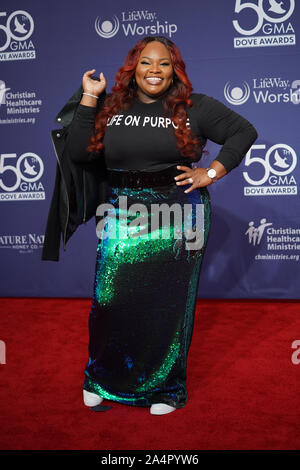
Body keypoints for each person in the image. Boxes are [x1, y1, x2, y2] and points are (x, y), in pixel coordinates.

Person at [65, 35, 258, 415]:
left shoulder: (194, 107)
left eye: (164, 63)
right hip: (122, 211)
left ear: (175, 69)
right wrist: (89, 96)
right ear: (132, 68)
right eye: (146, 62)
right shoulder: (110, 105)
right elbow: (77, 151)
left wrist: (212, 171)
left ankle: (165, 389)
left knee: (168, 305)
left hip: (178, 212)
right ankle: (101, 379)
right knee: (109, 300)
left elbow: (243, 132)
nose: (155, 70)